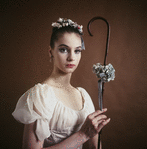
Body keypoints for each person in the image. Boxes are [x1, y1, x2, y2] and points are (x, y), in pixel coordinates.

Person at [12, 18, 110, 149]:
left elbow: (94, 146)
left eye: (77, 50)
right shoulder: (41, 96)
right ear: (50, 52)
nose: (71, 57)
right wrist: (82, 135)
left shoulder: (83, 96)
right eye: (64, 49)